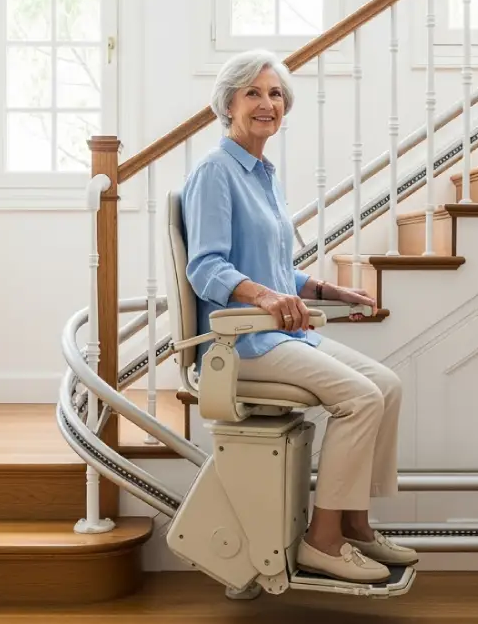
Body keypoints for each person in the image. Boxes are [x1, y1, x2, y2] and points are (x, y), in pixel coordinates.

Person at [180, 49, 417, 585]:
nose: (268, 103)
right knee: (360, 398)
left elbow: (276, 267)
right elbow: (206, 267)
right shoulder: (216, 172)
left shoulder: (261, 173)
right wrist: (264, 298)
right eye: (254, 93)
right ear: (228, 104)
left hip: (279, 335)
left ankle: (355, 525)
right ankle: (323, 542)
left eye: (276, 94)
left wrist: (328, 288)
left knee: (388, 384)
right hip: (238, 347)